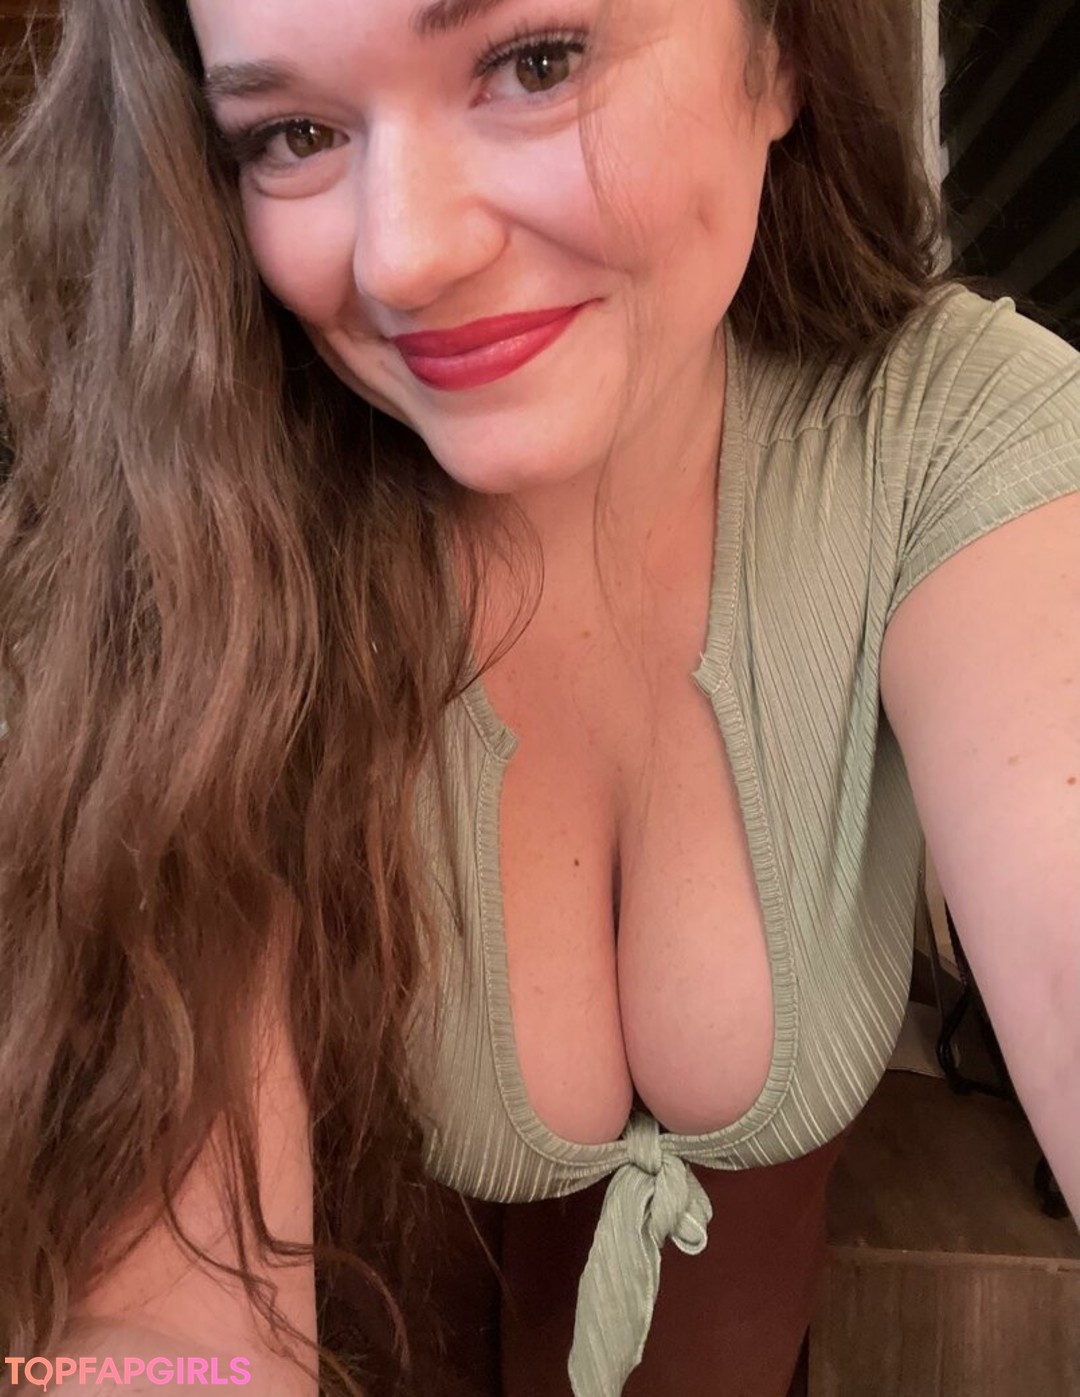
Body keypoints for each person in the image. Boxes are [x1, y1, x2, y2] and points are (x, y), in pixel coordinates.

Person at [1, 0, 1077, 1393]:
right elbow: (154, 1327)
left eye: (536, 63)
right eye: (296, 133)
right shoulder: (198, 524)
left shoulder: (952, 437)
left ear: (783, 51)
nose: (404, 254)